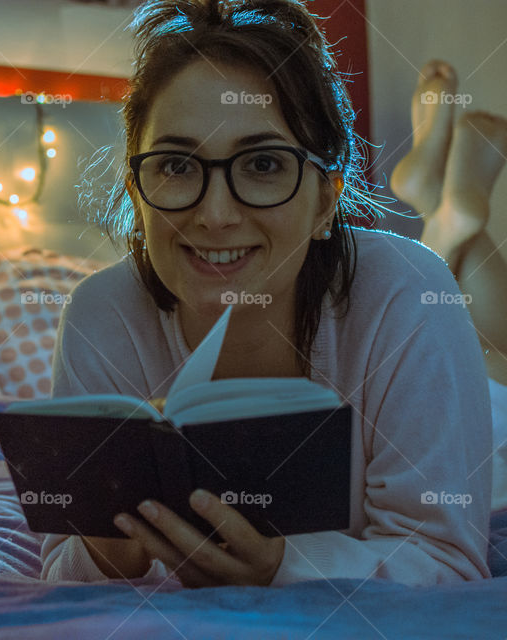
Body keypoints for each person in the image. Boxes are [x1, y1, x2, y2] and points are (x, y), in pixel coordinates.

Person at [41, 0, 492, 588]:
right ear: (137, 188)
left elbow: (446, 560)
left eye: (262, 163)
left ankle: (451, 213)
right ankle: (442, 201)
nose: (216, 214)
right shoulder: (100, 314)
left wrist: (283, 565)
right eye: (177, 166)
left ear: (327, 200)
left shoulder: (406, 294)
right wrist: (107, 551)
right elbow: (61, 570)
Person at [390, 60, 507, 511]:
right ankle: (438, 205)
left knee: (488, 357)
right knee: (491, 354)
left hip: (452, 462)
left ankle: (441, 207)